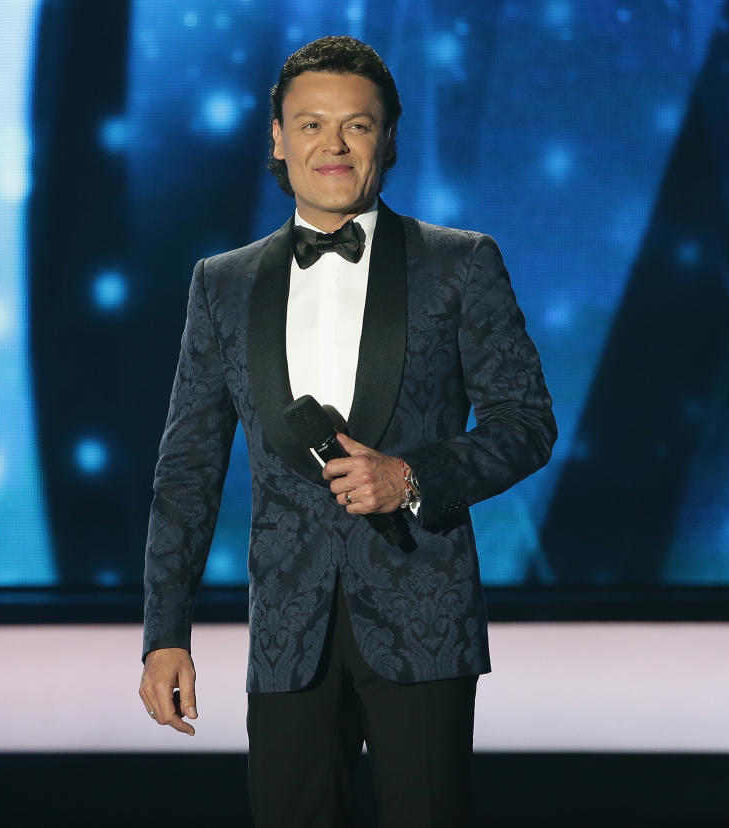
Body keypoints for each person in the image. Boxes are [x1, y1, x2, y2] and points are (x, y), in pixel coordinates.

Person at [139, 35, 556, 827]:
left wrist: (411, 477)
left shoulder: (461, 265)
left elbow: (526, 423)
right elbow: (187, 470)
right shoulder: (220, 285)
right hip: (287, 633)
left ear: (389, 138)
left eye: (356, 126)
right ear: (276, 137)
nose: (331, 145)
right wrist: (165, 632)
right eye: (309, 124)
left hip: (424, 621)